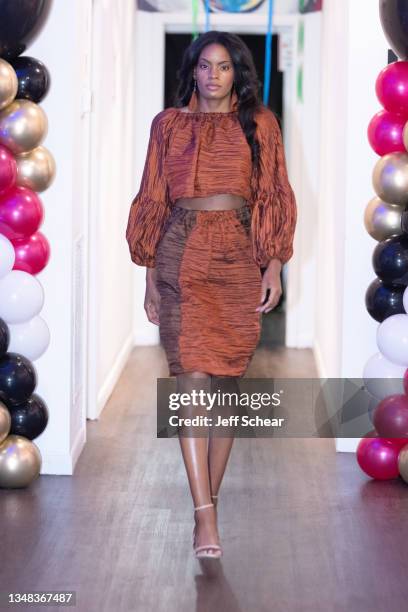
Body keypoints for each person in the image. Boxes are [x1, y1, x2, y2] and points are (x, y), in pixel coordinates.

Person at [125, 30, 297, 560]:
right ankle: (205, 517)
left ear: (236, 73)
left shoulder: (260, 125)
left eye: (224, 67)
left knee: (224, 386)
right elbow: (152, 199)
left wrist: (274, 265)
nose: (214, 76)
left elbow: (274, 194)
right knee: (191, 381)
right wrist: (149, 277)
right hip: (180, 251)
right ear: (193, 71)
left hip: (238, 254)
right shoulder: (167, 126)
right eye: (205, 66)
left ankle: (209, 502)